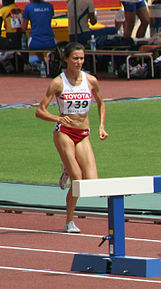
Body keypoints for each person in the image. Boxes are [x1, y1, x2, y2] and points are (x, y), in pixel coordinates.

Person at [35, 42, 108, 233]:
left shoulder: (90, 80)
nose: (79, 62)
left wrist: (101, 126)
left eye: (82, 58)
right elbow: (39, 111)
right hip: (64, 132)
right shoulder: (58, 83)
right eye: (75, 58)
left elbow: (101, 103)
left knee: (91, 182)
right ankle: (69, 221)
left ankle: (66, 168)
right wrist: (58, 117)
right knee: (77, 177)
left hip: (83, 134)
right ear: (66, 59)